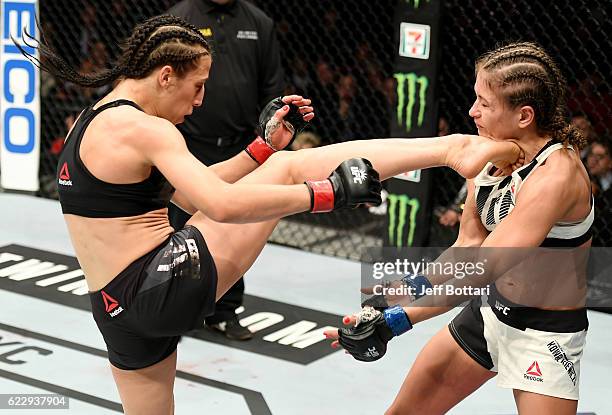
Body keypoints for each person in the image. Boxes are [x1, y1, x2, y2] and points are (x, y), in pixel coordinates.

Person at [18, 15, 522, 414]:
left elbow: (190, 192)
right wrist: (326, 193)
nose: (199, 101)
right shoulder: (146, 129)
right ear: (165, 74)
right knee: (290, 169)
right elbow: (220, 204)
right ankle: (452, 149)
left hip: (116, 308)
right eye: (197, 86)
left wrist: (258, 150)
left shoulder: (98, 116)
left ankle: (448, 150)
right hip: (163, 281)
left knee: (277, 162)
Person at [326, 41, 593, 415]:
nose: (472, 111)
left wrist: (398, 321)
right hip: (489, 312)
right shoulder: (487, 156)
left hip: (544, 335)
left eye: (485, 103)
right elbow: (467, 245)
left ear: (524, 115)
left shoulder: (556, 176)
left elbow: (485, 267)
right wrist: (390, 298)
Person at [167, 0, 285, 340]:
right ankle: (171, 305)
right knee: (176, 224)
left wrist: (267, 135)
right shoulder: (180, 17)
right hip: (185, 141)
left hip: (241, 144)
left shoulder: (259, 21)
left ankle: (225, 309)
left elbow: (271, 86)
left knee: (234, 225)